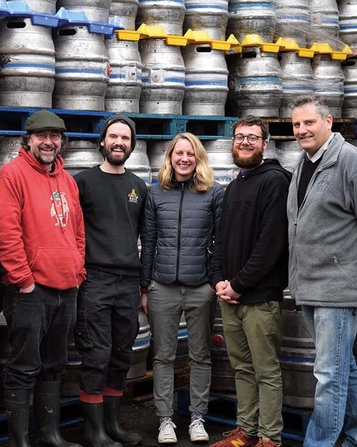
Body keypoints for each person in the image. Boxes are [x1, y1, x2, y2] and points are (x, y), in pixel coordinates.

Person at [0, 110, 86, 447]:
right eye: (41, 136)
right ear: (28, 140)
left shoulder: (67, 180)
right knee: (24, 365)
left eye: (55, 136)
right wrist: (24, 279)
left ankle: (50, 435)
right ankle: (21, 441)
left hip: (67, 286)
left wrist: (78, 268)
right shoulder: (11, 175)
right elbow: (6, 232)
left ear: (62, 142)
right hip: (30, 291)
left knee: (55, 364)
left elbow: (77, 230)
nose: (49, 142)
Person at [209, 115, 291, 447]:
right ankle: (246, 430)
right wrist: (218, 281)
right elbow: (219, 241)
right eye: (240, 137)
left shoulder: (274, 181)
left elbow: (270, 244)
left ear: (264, 144)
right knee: (241, 367)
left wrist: (238, 285)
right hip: (229, 296)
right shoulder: (234, 186)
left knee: (266, 371)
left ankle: (270, 437)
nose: (245, 142)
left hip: (258, 298)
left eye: (252, 138)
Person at [139, 132, 224, 444]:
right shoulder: (155, 193)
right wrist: (144, 286)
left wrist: (215, 281)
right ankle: (165, 420)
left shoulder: (214, 193)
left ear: (198, 157)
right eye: (179, 154)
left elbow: (221, 241)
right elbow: (148, 241)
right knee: (163, 356)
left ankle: (197, 418)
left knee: (201, 355)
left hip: (201, 286)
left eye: (190, 154)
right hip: (162, 286)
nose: (184, 159)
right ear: (170, 157)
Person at [287, 93, 357, 447]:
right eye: (297, 124)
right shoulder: (304, 162)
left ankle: (321, 442)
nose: (302, 130)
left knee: (328, 374)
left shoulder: (348, 160)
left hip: (337, 289)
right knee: (347, 370)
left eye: (309, 122)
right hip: (308, 285)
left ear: (329, 121)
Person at [73, 115, 147, 447]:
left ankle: (113, 424)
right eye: (113, 137)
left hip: (128, 282)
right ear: (102, 142)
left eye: (125, 138)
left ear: (132, 145)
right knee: (96, 353)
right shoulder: (83, 182)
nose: (119, 142)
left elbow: (146, 236)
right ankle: (94, 431)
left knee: (121, 353)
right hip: (95, 280)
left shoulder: (138, 186)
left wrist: (144, 284)